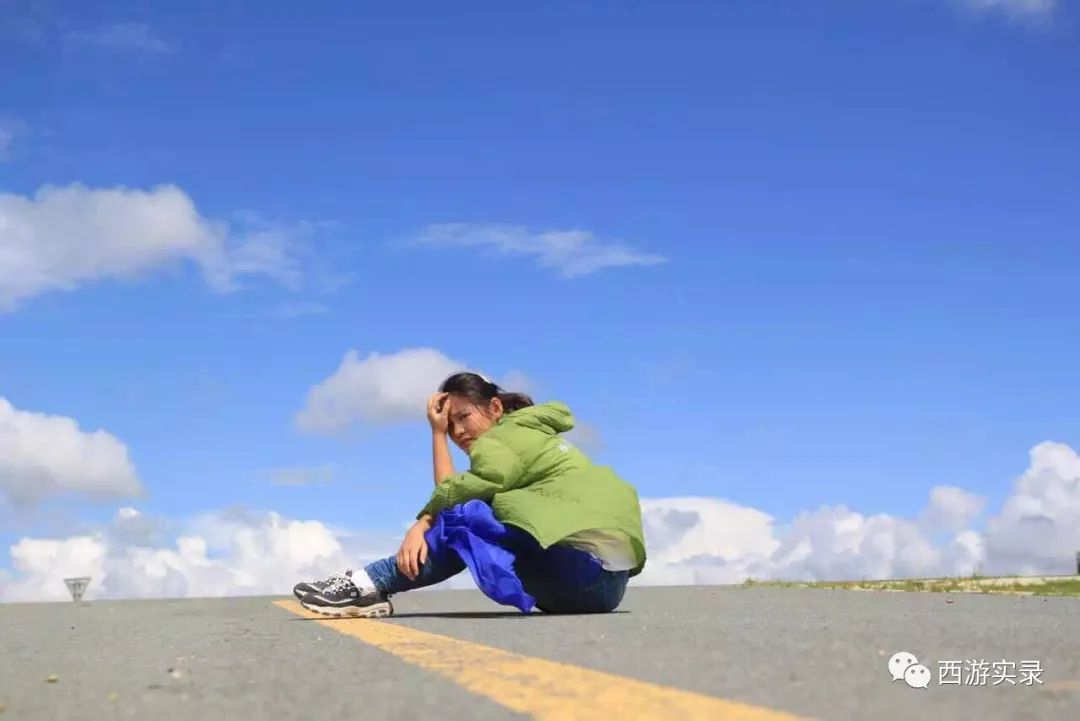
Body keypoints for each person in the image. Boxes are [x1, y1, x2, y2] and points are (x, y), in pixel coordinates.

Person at [292, 372, 647, 617]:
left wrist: (422, 521)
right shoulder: (527, 436)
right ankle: (369, 585)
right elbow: (456, 490)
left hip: (584, 580)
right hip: (605, 585)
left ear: (494, 408)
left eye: (464, 417)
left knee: (466, 518)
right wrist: (437, 433)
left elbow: (458, 498)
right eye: (451, 426)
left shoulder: (502, 440)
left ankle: (368, 584)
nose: (458, 432)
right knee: (472, 512)